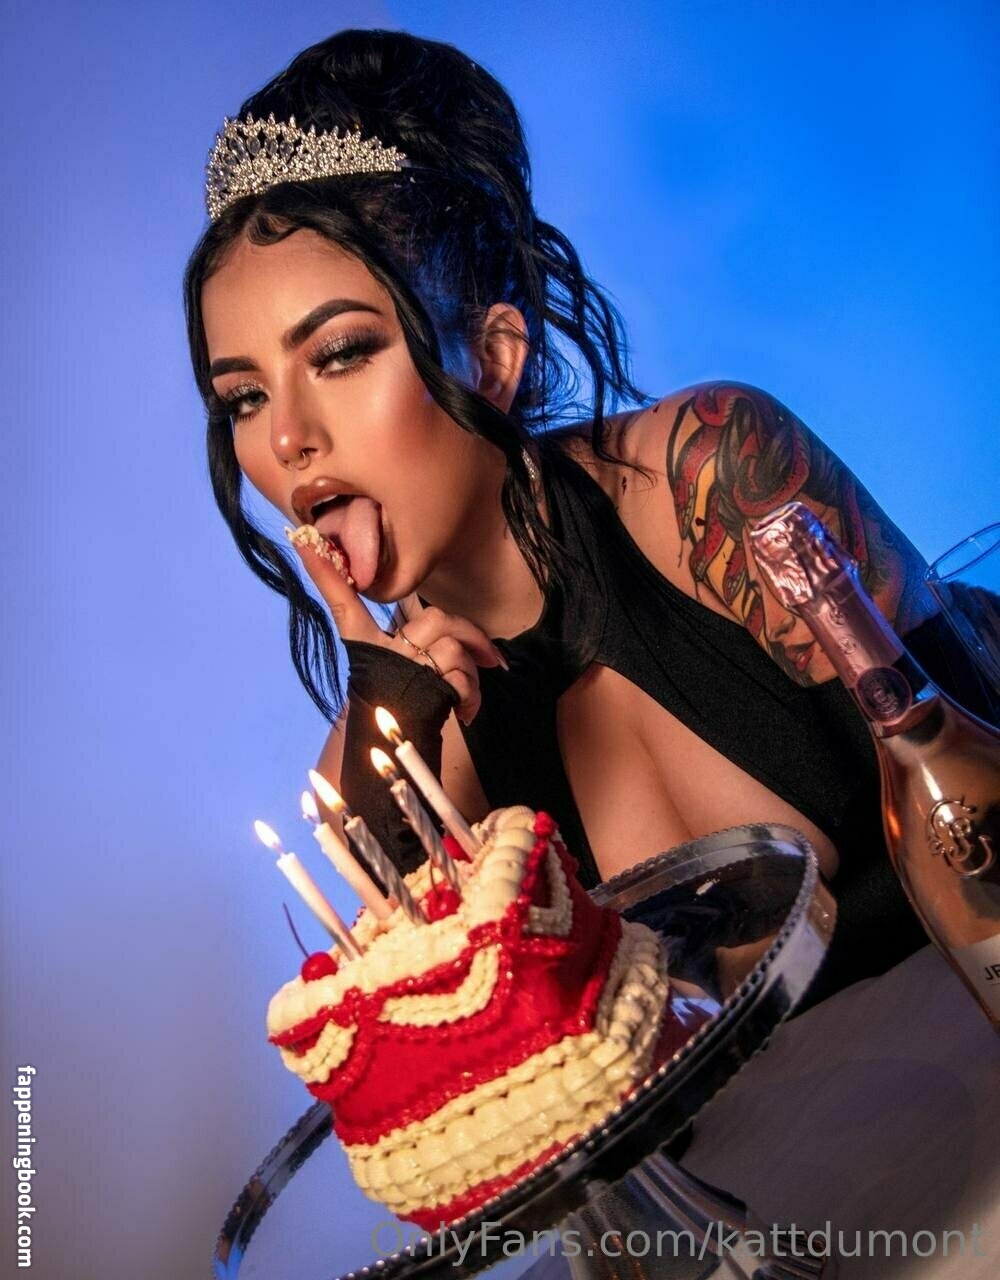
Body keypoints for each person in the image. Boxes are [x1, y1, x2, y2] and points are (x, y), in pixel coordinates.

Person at [185, 28, 989, 1005]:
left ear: (492, 357)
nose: (285, 439)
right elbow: (453, 1074)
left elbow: (979, 788)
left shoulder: (713, 475)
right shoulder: (393, 749)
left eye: (342, 353)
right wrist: (393, 758)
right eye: (243, 397)